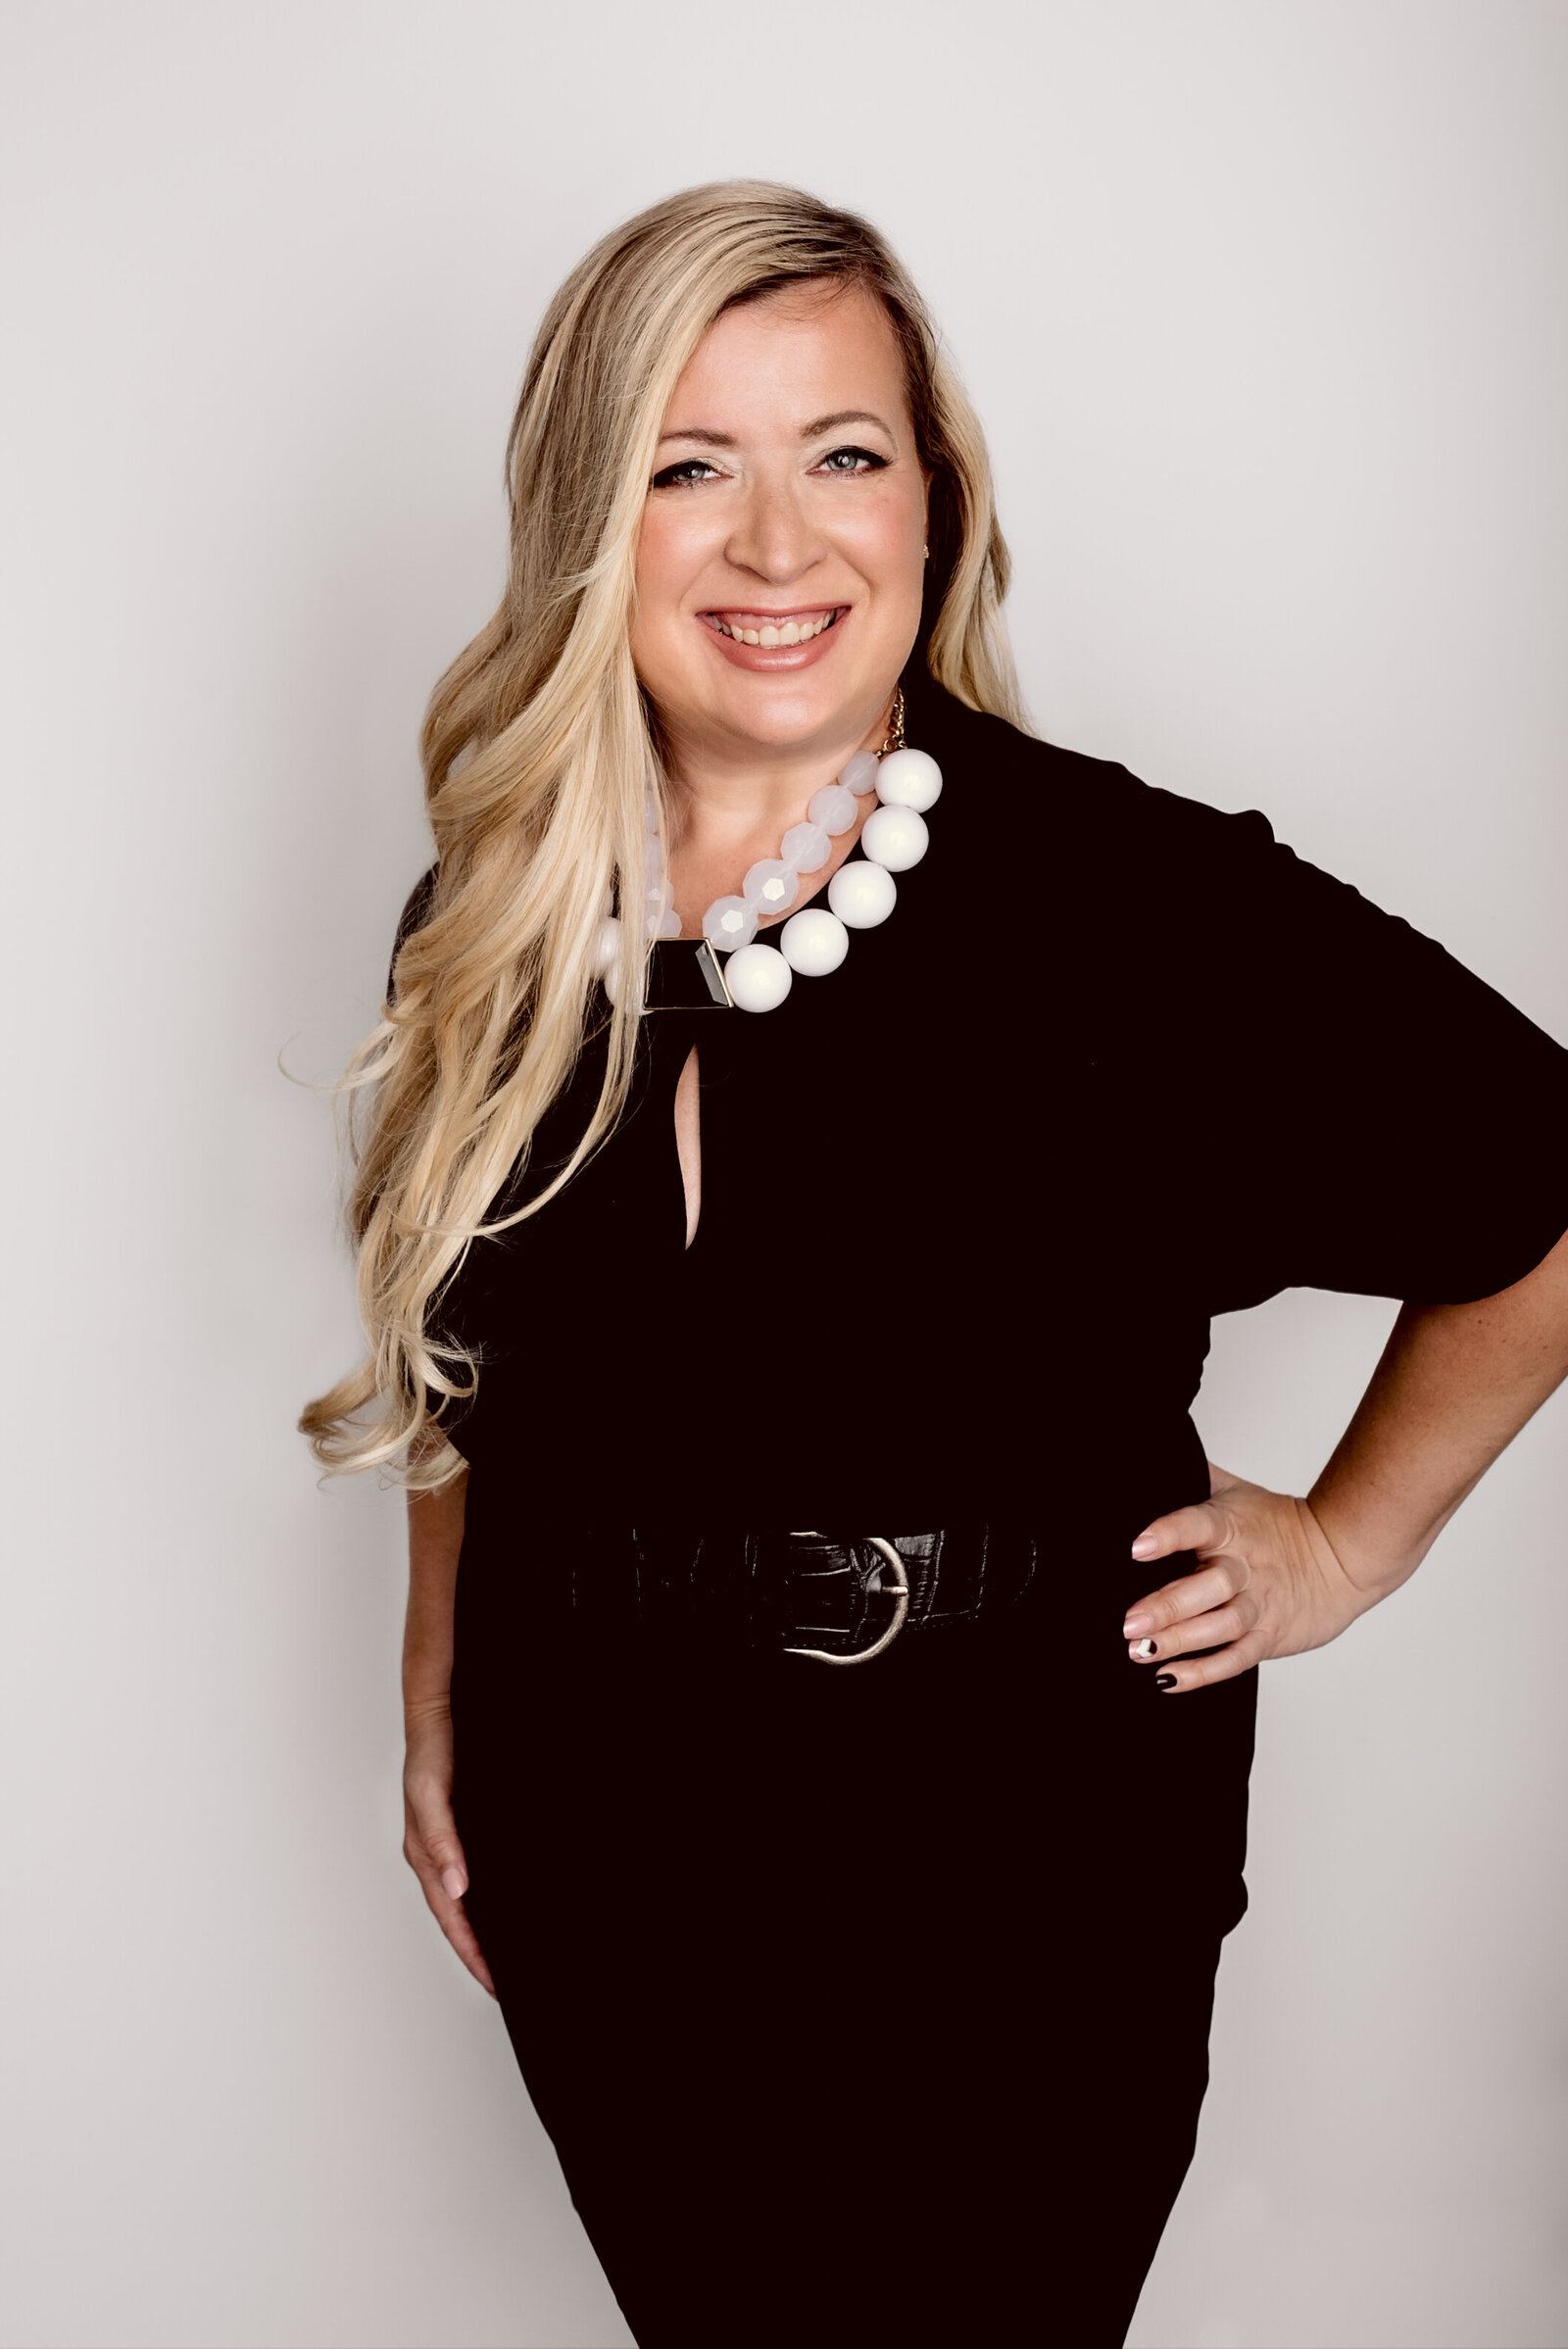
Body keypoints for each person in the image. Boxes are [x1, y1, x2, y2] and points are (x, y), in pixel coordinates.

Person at [301, 181, 1568, 2347]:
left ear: (933, 502)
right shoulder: (492, 906)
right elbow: (465, 1331)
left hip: (1020, 1866)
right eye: (689, 465)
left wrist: (1351, 1542)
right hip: (601, 1843)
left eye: (844, 455)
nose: (777, 546)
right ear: (590, 516)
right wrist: (437, 1679)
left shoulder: (1124, 905)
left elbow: (1541, 1176)